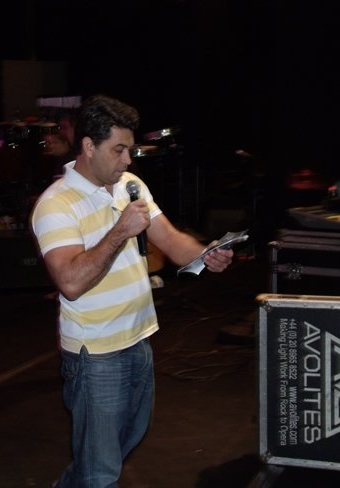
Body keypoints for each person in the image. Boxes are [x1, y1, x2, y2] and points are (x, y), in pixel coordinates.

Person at [30, 94, 234, 486]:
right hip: (95, 354)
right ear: (89, 146)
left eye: (130, 149)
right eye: (119, 150)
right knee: (101, 470)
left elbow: (170, 239)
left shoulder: (130, 185)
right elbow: (70, 282)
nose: (128, 160)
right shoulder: (56, 205)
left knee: (118, 447)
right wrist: (120, 231)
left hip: (138, 339)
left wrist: (205, 254)